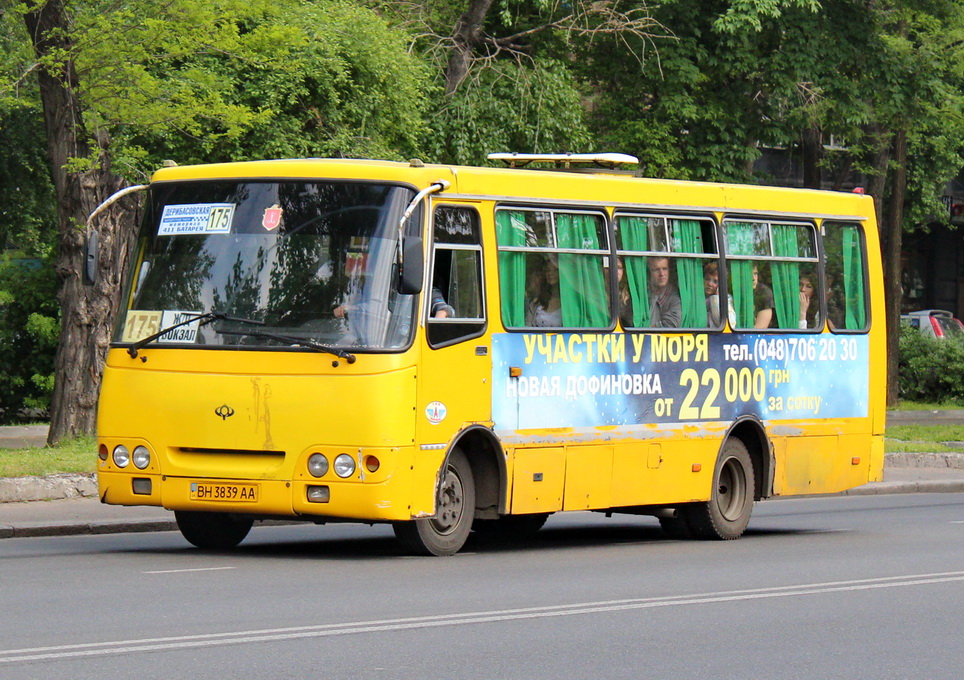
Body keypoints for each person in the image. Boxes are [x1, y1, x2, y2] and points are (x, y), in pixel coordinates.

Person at [526, 257, 562, 327]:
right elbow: (527, 327)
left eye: (555, 270)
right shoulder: (536, 303)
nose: (550, 273)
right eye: (548, 270)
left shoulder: (569, 304)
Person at [648, 256, 681, 328]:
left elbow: (671, 323)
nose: (662, 274)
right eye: (656, 270)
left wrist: (647, 329)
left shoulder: (674, 295)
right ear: (649, 272)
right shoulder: (643, 293)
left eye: (665, 269)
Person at [704, 261, 736, 328]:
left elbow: (724, 324)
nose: (710, 284)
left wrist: (716, 298)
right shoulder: (698, 298)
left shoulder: (727, 299)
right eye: (707, 279)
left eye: (715, 281)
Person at [752, 264, 774, 328]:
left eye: (755, 274)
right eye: (748, 274)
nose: (753, 278)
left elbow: (760, 329)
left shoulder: (763, 292)